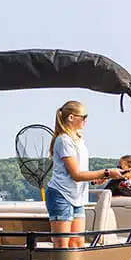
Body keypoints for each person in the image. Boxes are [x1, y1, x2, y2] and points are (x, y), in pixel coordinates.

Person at [47, 99, 113, 248]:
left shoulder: (78, 140)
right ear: (71, 117)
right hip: (61, 195)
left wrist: (95, 179)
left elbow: (80, 171)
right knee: (62, 244)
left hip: (77, 197)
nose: (85, 121)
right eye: (83, 117)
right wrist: (107, 172)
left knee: (77, 242)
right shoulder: (64, 140)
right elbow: (75, 174)